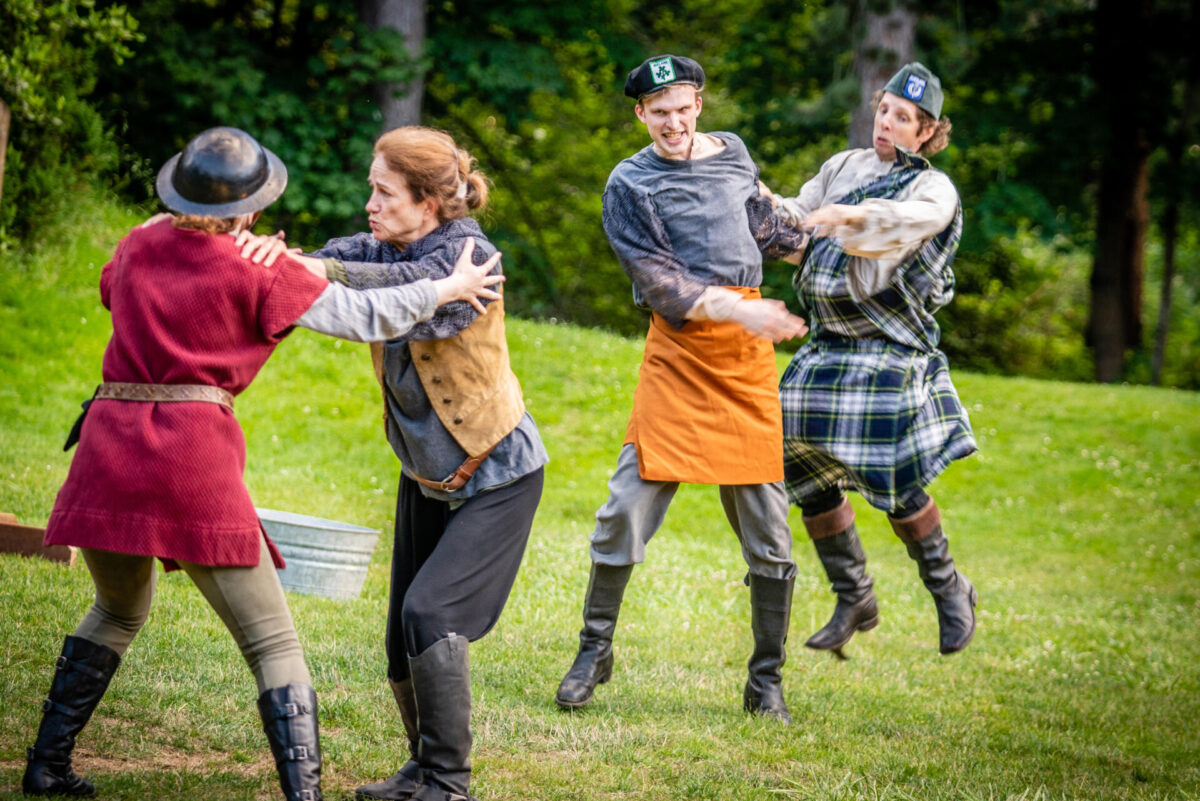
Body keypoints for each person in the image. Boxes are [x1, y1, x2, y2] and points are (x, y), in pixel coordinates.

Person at [23, 126, 502, 801]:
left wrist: (167, 224)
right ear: (248, 210)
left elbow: (113, 285)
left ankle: (45, 765)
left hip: (105, 449)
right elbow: (363, 316)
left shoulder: (136, 243)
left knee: (116, 609)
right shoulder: (255, 268)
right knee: (273, 643)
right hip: (187, 458)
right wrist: (445, 288)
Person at [247, 126, 547, 801]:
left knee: (430, 611)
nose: (369, 205)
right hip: (426, 476)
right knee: (399, 637)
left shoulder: (474, 260)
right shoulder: (389, 243)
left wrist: (314, 273)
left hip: (496, 473)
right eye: (371, 189)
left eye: (384, 192)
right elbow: (342, 258)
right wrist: (278, 258)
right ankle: (422, 765)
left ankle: (450, 781)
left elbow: (405, 295)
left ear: (429, 203)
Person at [553, 55, 810, 724]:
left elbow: (770, 230)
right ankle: (594, 649)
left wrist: (835, 238)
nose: (672, 120)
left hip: (745, 358)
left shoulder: (735, 155)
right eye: (657, 110)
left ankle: (766, 681)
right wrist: (741, 309)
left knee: (769, 531)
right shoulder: (629, 184)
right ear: (640, 115)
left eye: (682, 106)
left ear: (699, 104)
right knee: (624, 507)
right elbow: (663, 284)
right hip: (683, 350)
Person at [767, 62, 978, 657]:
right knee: (792, 454)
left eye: (904, 118)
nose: (887, 123)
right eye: (885, 109)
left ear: (927, 133)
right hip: (829, 343)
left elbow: (913, 224)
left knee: (894, 472)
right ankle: (853, 593)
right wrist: (751, 198)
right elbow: (796, 214)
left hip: (890, 348)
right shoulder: (844, 167)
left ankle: (949, 588)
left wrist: (852, 219)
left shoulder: (931, 188)